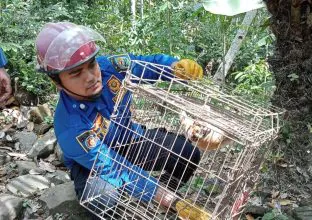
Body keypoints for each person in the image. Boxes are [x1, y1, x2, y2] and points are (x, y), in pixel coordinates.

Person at [35, 22, 203, 216]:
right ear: (56, 80)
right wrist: (172, 202)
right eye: (76, 73)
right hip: (93, 166)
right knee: (103, 196)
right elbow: (114, 168)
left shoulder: (108, 67)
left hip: (130, 139)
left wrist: (174, 67)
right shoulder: (70, 126)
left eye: (91, 65)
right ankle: (155, 198)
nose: (91, 77)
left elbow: (143, 64)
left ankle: (159, 195)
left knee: (187, 153)